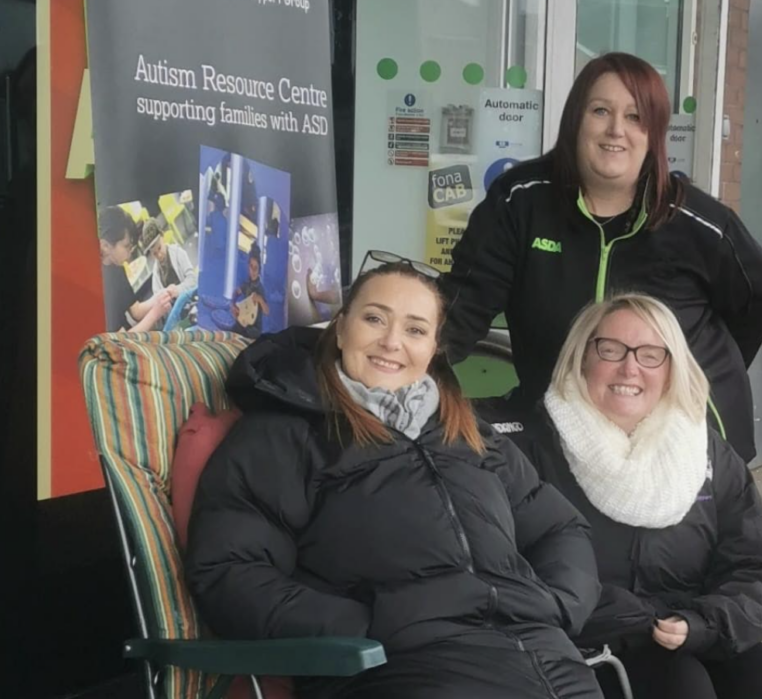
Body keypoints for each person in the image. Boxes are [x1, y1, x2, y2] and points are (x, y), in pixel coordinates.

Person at [185, 260, 605, 699]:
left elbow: (559, 526)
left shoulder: (467, 431)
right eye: (374, 319)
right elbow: (229, 570)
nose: (391, 342)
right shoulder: (287, 431)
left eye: (415, 330)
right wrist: (367, 626)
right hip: (403, 666)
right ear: (341, 328)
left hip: (546, 657)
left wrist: (559, 603)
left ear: (435, 347)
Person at [441, 52, 762, 463]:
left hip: (686, 437)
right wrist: (398, 369)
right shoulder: (520, 201)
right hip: (565, 429)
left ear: (653, 133)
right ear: (575, 120)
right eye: (601, 110)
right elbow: (462, 306)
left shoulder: (698, 223)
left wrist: (698, 370)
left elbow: (757, 296)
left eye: (636, 117)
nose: (616, 130)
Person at [489, 292, 762, 699]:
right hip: (583, 640)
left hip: (695, 630)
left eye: (651, 354)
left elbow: (759, 568)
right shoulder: (528, 450)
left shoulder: (707, 453)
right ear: (583, 358)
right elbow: (510, 569)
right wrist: (642, 620)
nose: (630, 368)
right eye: (611, 350)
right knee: (680, 686)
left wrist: (704, 624)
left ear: (671, 369)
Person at [98, 205, 171, 332]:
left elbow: (136, 312)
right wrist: (155, 313)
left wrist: (162, 294)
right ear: (105, 246)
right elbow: (120, 341)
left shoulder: (117, 267)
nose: (129, 254)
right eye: (126, 246)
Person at [141, 219, 196, 300]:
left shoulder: (178, 253)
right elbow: (157, 297)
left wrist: (178, 290)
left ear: (162, 236)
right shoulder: (156, 273)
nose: (159, 255)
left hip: (191, 298)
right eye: (154, 253)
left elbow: (193, 280)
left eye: (159, 248)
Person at [229, 243, 269, 338]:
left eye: (256, 268)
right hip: (244, 321)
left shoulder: (260, 288)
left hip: (254, 329)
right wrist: (233, 304)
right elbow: (236, 292)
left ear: (259, 269)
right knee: (230, 335)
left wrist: (260, 299)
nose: (253, 270)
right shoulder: (246, 284)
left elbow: (267, 311)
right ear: (248, 267)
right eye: (251, 266)